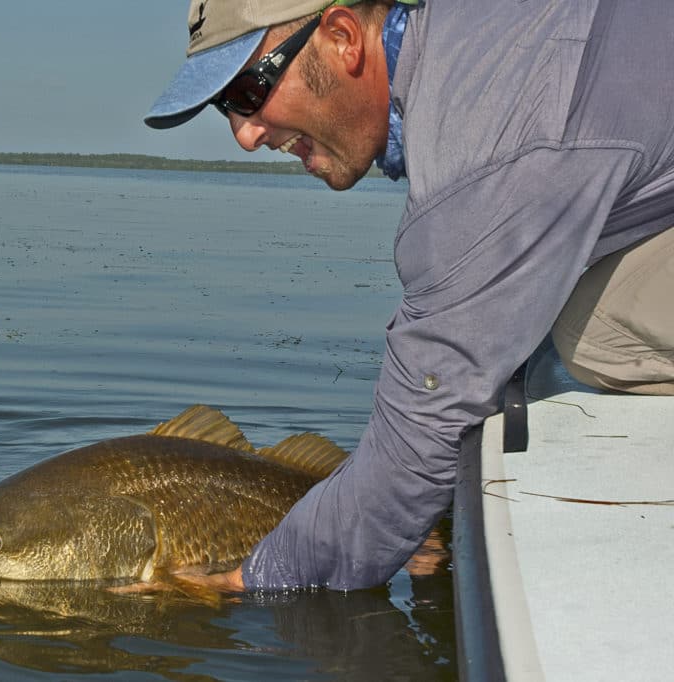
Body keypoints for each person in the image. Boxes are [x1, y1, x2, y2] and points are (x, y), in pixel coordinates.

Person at [144, 0, 674, 591]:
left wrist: (239, 584)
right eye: (226, 107)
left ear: (344, 36)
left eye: (249, 90)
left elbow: (415, 446)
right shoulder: (474, 39)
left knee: (591, 330)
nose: (244, 135)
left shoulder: (485, 149)